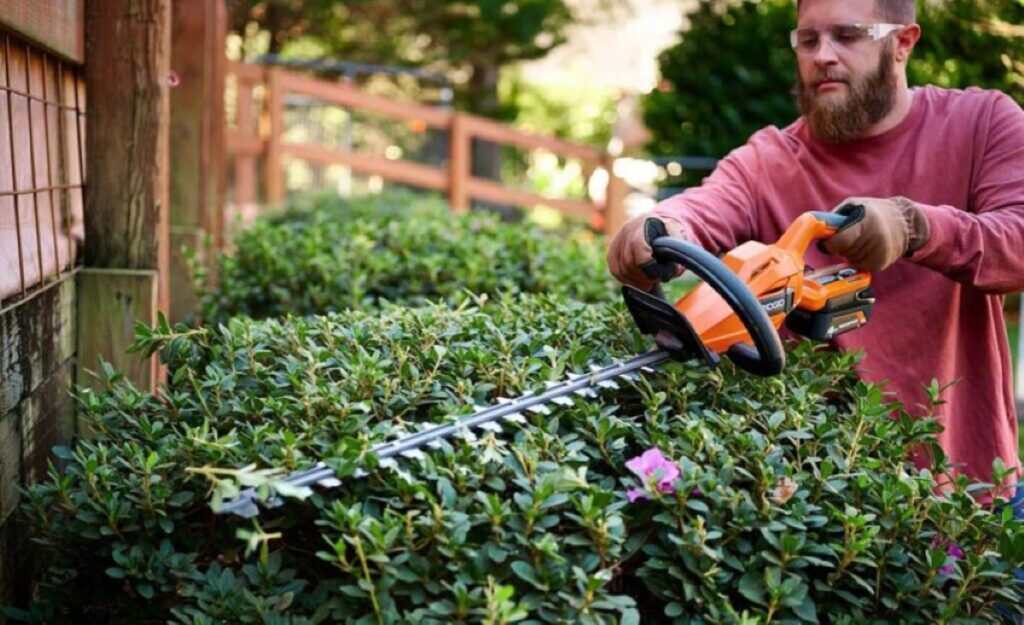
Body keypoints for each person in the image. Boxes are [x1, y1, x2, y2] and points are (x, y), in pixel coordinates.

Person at [607, 0, 1024, 502]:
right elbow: (705, 205)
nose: (822, 55)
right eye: (808, 40)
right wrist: (658, 228)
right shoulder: (768, 160)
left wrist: (917, 227)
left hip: (972, 494)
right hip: (825, 510)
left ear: (902, 43)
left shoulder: (981, 124)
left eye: (847, 36)